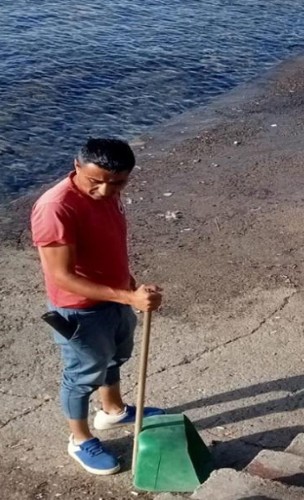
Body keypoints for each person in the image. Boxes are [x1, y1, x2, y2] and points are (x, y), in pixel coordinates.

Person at [31, 138, 164, 475]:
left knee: (114, 357)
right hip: (80, 310)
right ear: (77, 168)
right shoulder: (56, 208)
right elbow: (61, 276)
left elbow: (107, 246)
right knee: (82, 375)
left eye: (117, 183)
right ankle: (79, 439)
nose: (106, 191)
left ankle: (113, 410)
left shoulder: (109, 195)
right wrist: (128, 297)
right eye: (95, 181)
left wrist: (130, 284)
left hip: (114, 298)